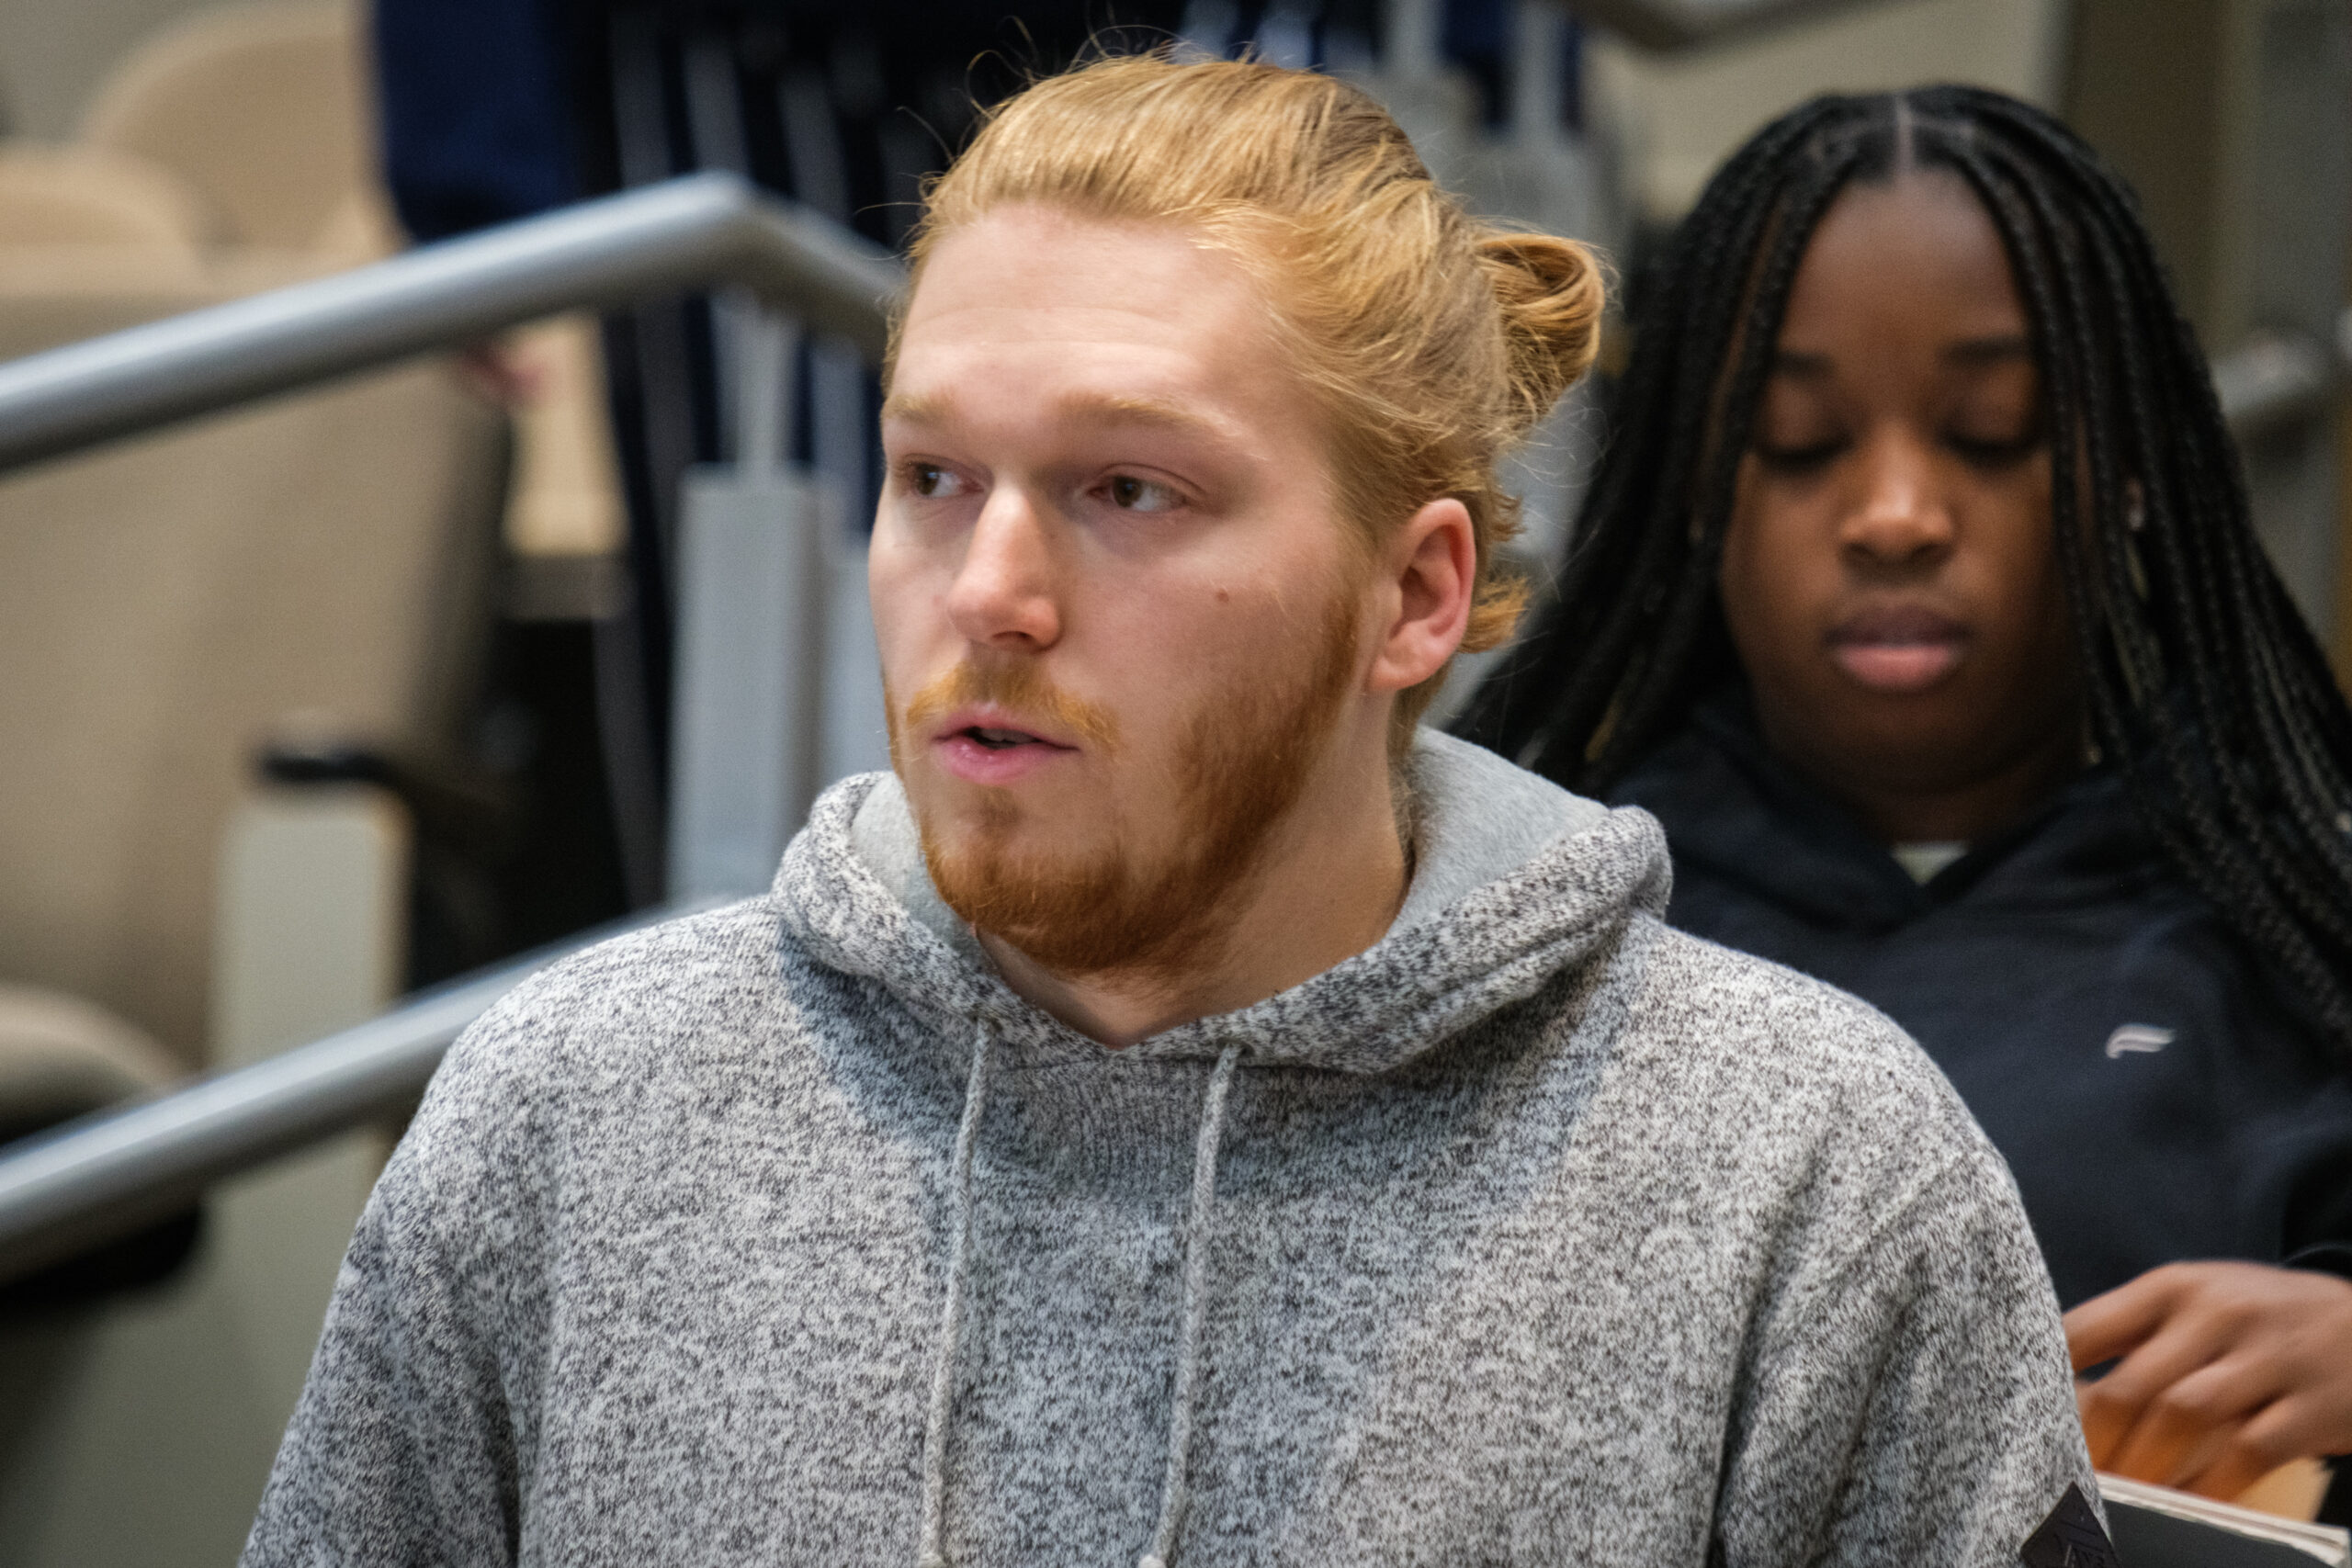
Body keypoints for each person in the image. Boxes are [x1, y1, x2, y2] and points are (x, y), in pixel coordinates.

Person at [243, 58, 2097, 1566]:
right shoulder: (568, 1119)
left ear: (1414, 594)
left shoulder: (1803, 1182)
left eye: (1128, 487)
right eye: (932, 475)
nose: (991, 587)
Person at [1459, 85, 2352, 1514]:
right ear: (1698, 482)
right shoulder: (1528, 914)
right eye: (1804, 441)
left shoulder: (2303, 918)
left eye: (1990, 432)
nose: (1894, 513)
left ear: (2127, 470)